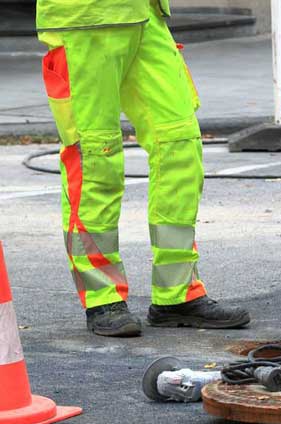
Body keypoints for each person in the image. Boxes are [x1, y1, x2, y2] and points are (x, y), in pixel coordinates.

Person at [37, 0, 250, 337]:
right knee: (96, 157)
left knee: (180, 144)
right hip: (82, 21)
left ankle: (176, 293)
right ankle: (102, 296)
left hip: (143, 15)